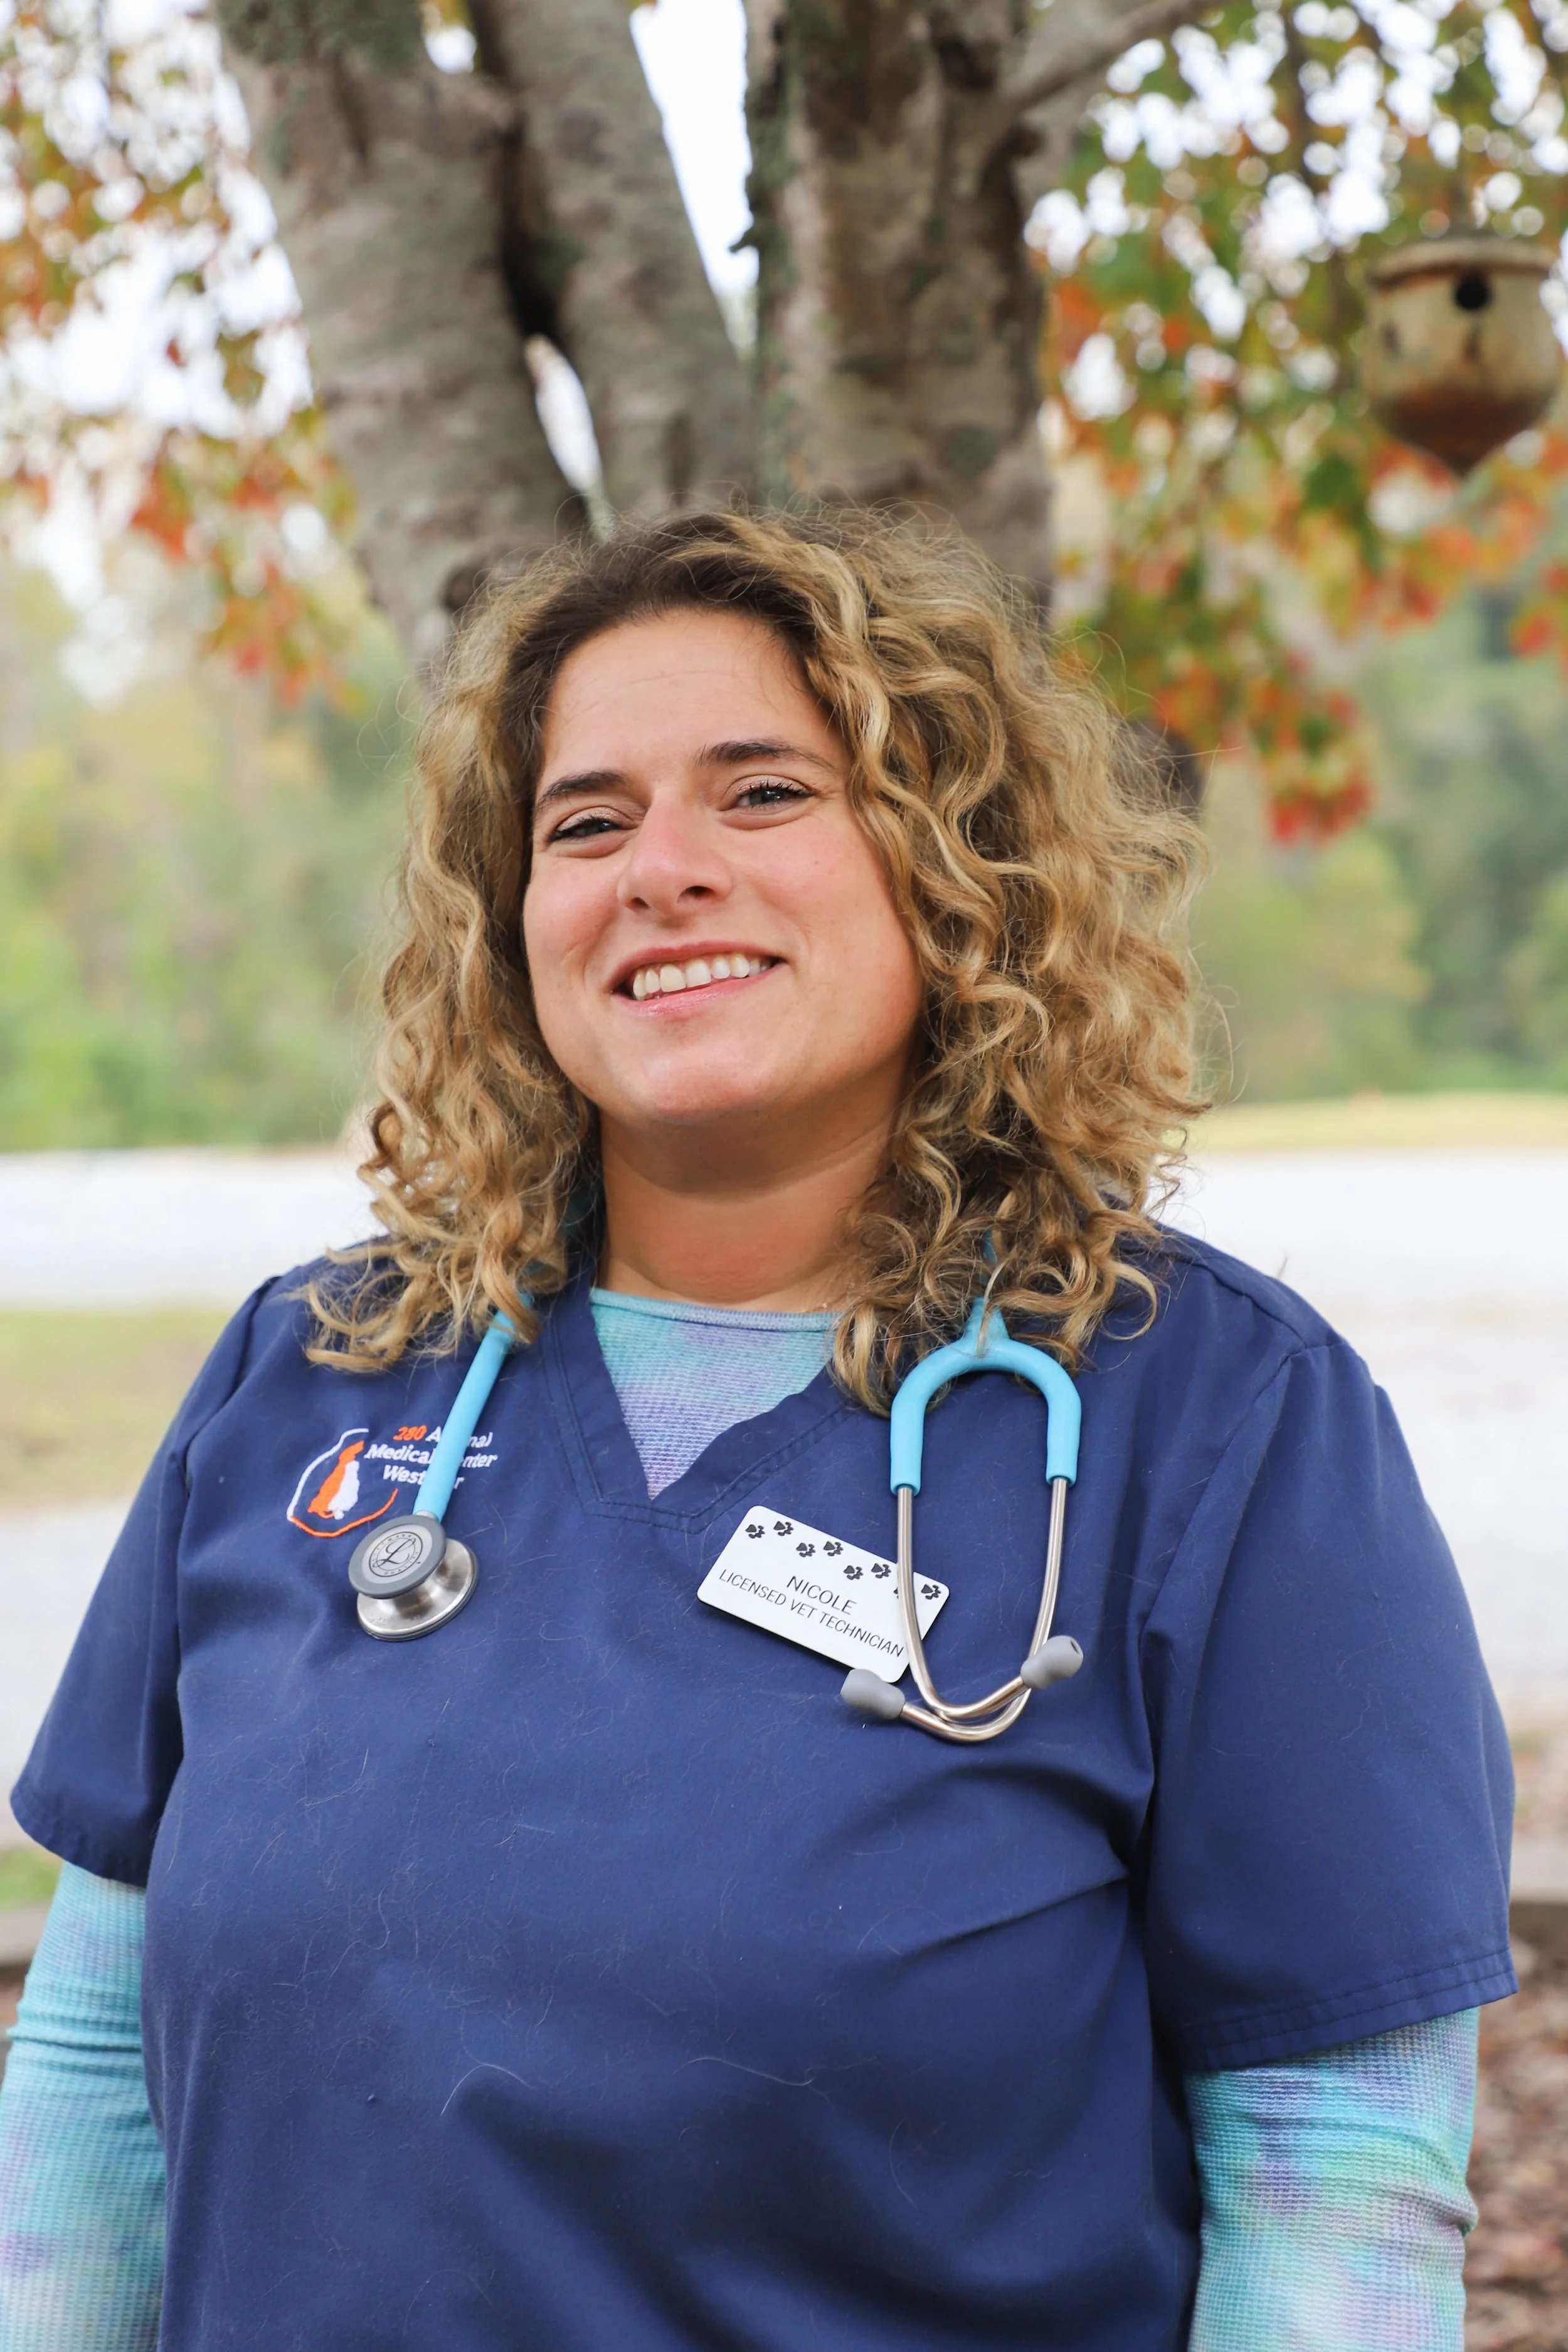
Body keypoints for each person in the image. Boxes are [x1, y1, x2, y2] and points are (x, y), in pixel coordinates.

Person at [0, 508, 1513, 2351]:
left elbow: (1328, 2173)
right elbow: (89, 2060)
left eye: (763, 792)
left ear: (952, 865)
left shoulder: (1221, 1425)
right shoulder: (305, 1376)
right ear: (512, 920)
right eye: (586, 820)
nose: (661, 869)